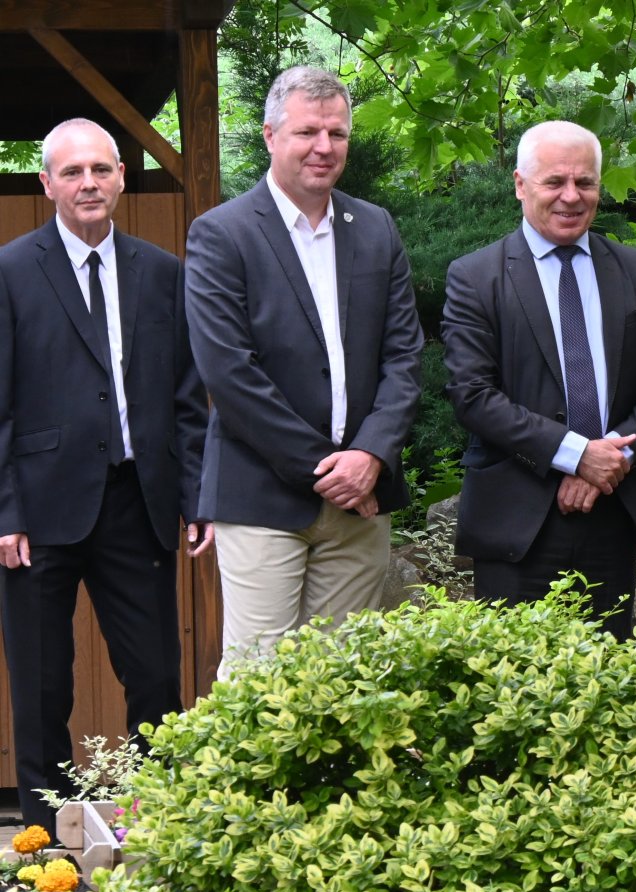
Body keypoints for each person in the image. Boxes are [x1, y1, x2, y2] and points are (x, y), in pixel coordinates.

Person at [0, 119, 210, 832]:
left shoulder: (162, 272)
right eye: (72, 172)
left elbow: (187, 399)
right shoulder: (11, 271)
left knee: (155, 677)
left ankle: (163, 829)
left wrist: (196, 497)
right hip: (37, 510)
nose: (88, 183)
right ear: (47, 184)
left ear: (122, 176)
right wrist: (5, 512)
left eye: (100, 169)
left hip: (136, 501)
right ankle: (45, 837)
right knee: (41, 687)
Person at [186, 65, 423, 676]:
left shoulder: (375, 227)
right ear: (270, 136)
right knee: (260, 684)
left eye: (337, 134)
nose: (324, 147)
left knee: (345, 681)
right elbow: (230, 374)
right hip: (263, 493)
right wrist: (330, 470)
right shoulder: (222, 234)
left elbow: (404, 356)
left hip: (361, 499)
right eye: (307, 132)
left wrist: (370, 455)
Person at [441, 121, 636, 638]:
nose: (571, 197)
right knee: (515, 691)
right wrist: (576, 454)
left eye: (586, 182)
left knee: (608, 680)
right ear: (520, 184)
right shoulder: (476, 277)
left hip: (612, 509)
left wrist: (610, 461)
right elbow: (473, 396)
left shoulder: (635, 270)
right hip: (518, 518)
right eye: (555, 182)